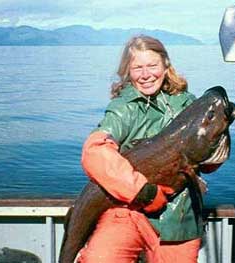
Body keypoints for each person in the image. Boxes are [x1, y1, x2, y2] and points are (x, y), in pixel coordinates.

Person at [77, 35, 204, 263]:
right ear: (128, 71)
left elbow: (210, 163)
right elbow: (94, 151)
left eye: (152, 66)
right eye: (137, 68)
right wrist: (142, 192)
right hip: (127, 211)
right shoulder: (123, 109)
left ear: (166, 65)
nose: (146, 75)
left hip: (179, 218)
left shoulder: (189, 105)